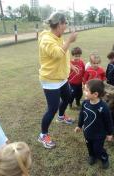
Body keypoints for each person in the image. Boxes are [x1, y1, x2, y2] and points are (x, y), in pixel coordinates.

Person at [38, 12, 78, 149]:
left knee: (68, 96)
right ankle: (43, 135)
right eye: (65, 23)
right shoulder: (46, 39)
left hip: (61, 77)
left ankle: (61, 116)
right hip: (50, 79)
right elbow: (56, 54)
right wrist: (69, 41)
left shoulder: (58, 36)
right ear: (59, 24)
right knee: (52, 108)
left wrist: (71, 65)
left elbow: (63, 54)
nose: (66, 25)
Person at [74, 79, 114, 169]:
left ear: (95, 94)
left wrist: (110, 133)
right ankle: (92, 156)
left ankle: (104, 158)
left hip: (99, 135)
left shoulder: (104, 107)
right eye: (84, 89)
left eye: (86, 90)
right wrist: (79, 126)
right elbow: (82, 115)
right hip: (87, 133)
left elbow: (109, 121)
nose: (84, 92)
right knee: (89, 146)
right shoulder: (85, 103)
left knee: (98, 149)